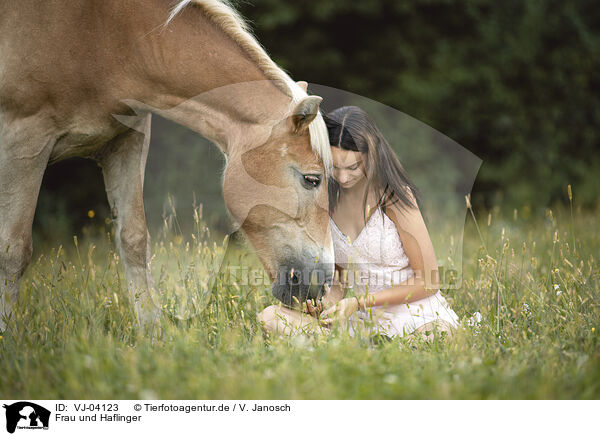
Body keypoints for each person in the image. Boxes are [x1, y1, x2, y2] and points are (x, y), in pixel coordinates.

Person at [258, 105, 459, 341]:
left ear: (371, 155)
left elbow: (428, 281)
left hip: (414, 314)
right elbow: (341, 276)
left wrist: (359, 302)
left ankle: (374, 347)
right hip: (362, 318)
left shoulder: (394, 197)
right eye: (335, 167)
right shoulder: (327, 200)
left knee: (436, 335)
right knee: (270, 318)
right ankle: (369, 346)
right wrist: (326, 302)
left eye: (353, 167)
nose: (343, 178)